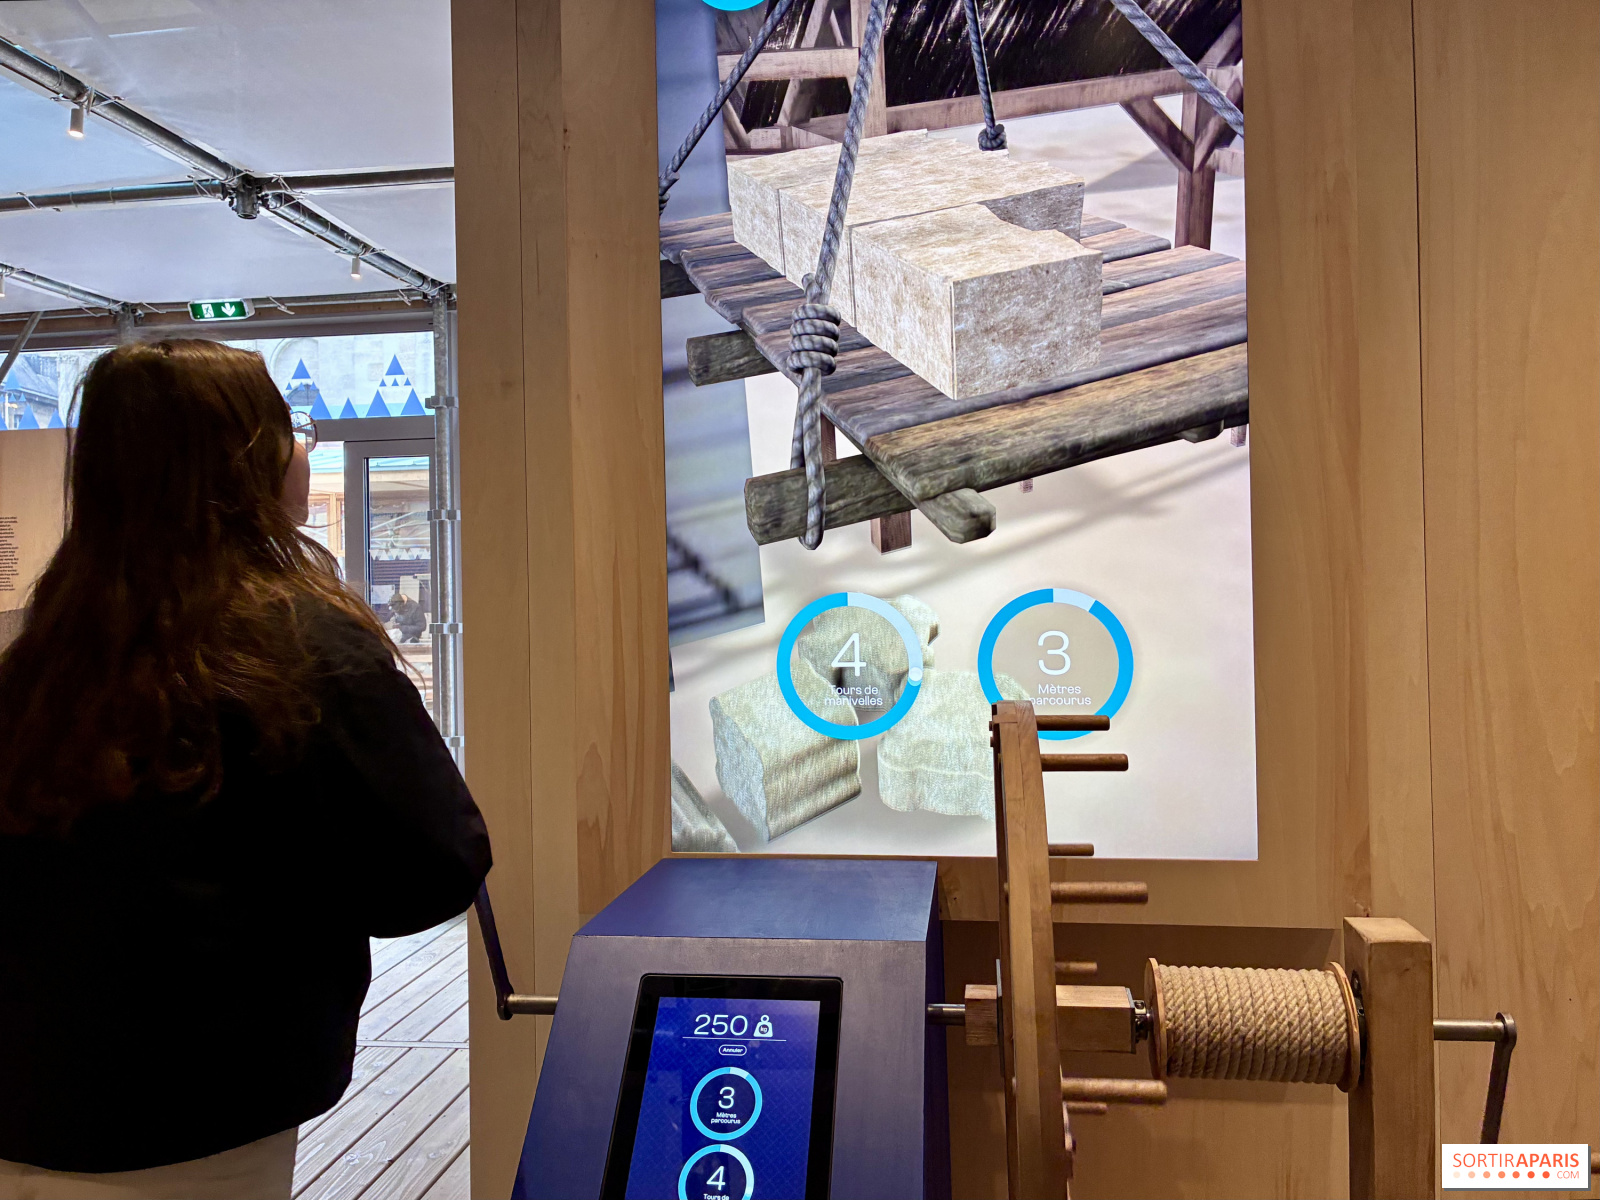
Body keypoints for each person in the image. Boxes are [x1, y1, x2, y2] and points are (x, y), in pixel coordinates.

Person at [0, 340, 491, 1200]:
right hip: (199, 1108)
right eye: (287, 428)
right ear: (246, 461)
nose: (301, 448)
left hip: (25, 1096)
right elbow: (430, 869)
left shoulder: (37, 656)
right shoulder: (303, 647)